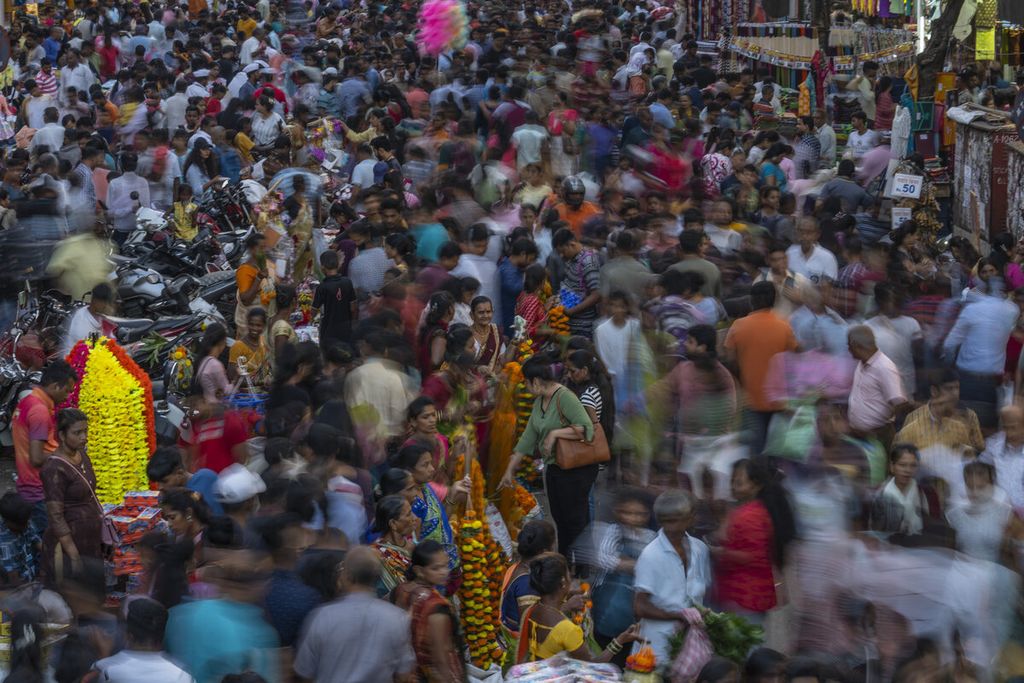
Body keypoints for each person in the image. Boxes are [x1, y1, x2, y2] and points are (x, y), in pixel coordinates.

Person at [500, 355, 598, 560]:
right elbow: (528, 437)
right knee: (560, 520)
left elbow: (586, 429)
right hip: (555, 468)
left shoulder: (565, 397)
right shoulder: (540, 402)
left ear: (535, 381)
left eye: (525, 383)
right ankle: (565, 562)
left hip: (575, 469)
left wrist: (555, 434)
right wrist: (509, 470)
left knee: (574, 521)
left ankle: (580, 567)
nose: (525, 388)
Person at [294, 546, 417, 683]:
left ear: (346, 576)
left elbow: (305, 673)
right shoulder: (397, 618)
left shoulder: (322, 617)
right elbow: (403, 675)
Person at [710, 458, 795, 623]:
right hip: (740, 595)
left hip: (745, 597)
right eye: (732, 482)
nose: (733, 487)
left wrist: (721, 553)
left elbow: (755, 556)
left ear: (756, 486)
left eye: (739, 483)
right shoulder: (745, 511)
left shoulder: (752, 515)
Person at [632, 490, 711, 664]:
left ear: (691, 518)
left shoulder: (699, 549)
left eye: (676, 520)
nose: (671, 528)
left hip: (690, 643)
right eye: (667, 521)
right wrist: (678, 615)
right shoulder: (651, 555)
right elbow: (640, 607)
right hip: (656, 646)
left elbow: (699, 594)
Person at [516, 553, 640, 663]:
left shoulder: (533, 609)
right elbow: (593, 664)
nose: (572, 577)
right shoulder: (568, 630)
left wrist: (567, 601)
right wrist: (619, 641)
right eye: (569, 574)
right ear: (563, 582)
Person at [723, 282, 798, 453]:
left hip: (749, 398)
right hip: (779, 399)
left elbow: (730, 361)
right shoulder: (785, 326)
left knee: (753, 449)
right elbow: (793, 360)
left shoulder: (738, 326)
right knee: (775, 449)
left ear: (751, 300)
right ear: (775, 300)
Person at [591, 489, 656, 666]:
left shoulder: (650, 537)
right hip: (607, 608)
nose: (633, 518)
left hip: (633, 609)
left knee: (629, 653)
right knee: (606, 649)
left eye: (639, 514)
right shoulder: (612, 531)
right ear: (618, 511)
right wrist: (638, 565)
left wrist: (625, 563)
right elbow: (603, 559)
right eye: (628, 513)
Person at [12, 361, 76, 536]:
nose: (68, 396)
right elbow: (37, 458)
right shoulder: (39, 410)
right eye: (67, 390)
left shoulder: (28, 400)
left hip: (28, 486)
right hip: (39, 490)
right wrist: (67, 455)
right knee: (48, 544)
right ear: (55, 386)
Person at [40, 409, 103, 584]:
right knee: (74, 593)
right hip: (70, 544)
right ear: (61, 434)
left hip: (89, 538)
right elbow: (56, 516)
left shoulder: (82, 454)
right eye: (77, 433)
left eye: (85, 431)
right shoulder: (54, 468)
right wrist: (74, 555)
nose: (84, 437)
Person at [391, 540, 464, 683]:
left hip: (407, 672)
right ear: (419, 570)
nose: (445, 572)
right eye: (436, 568)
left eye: (445, 565)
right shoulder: (436, 606)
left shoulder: (401, 590)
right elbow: (440, 658)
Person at [93, 598, 193, 682]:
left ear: (128, 635)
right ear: (162, 636)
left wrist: (103, 655)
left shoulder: (105, 669)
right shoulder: (182, 677)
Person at [847, 325, 909, 447]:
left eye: (849, 345)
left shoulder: (884, 367)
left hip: (877, 436)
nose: (848, 349)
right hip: (860, 435)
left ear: (857, 346)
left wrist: (882, 427)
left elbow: (900, 404)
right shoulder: (862, 363)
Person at [500, 519, 556, 638]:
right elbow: (531, 626)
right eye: (552, 547)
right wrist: (567, 606)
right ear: (543, 551)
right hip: (518, 641)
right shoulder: (527, 584)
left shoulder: (519, 566)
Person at [553, 228, 602, 338]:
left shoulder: (588, 262)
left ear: (572, 244)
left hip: (582, 325)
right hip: (571, 323)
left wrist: (572, 311)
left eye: (563, 251)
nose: (562, 256)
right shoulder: (572, 259)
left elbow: (597, 294)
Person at [371, 495, 416, 598]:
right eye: (409, 514)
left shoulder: (413, 547)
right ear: (393, 524)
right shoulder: (376, 555)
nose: (414, 518)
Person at [314, 250, 357, 350]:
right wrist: (353, 323)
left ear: (322, 267)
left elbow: (313, 311)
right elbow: (353, 307)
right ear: (338, 265)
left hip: (329, 329)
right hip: (346, 327)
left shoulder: (322, 287)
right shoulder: (347, 282)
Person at [62, 282, 115, 357]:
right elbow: (94, 351)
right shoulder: (82, 323)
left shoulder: (99, 315)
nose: (106, 306)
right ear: (95, 300)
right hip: (77, 361)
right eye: (104, 302)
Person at [0, 491, 41, 584]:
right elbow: (13, 578)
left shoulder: (23, 522)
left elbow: (36, 541)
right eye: (23, 524)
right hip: (18, 585)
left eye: (27, 521)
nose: (27, 525)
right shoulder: (5, 545)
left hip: (29, 572)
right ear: (7, 521)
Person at [228, 308, 271, 391]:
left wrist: (268, 377)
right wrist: (260, 382)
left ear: (264, 326)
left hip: (263, 391)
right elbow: (231, 378)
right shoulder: (238, 346)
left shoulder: (263, 341)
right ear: (247, 324)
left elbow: (266, 367)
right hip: (245, 395)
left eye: (258, 325)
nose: (254, 328)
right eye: (251, 324)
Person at [194, 323, 231, 404]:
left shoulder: (203, 360)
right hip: (215, 407)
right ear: (222, 342)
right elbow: (227, 391)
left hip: (206, 403)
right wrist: (237, 381)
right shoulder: (215, 365)